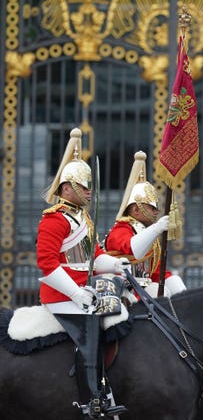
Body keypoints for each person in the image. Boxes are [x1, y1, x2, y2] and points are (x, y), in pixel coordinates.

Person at [37, 128, 128, 418]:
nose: (89, 191)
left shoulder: (83, 217)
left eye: (89, 187)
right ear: (66, 188)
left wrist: (116, 265)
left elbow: (93, 256)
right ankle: (92, 399)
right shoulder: (55, 220)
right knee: (91, 332)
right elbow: (47, 264)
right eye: (83, 186)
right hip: (62, 295)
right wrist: (76, 294)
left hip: (83, 289)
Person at [104, 151, 186, 298]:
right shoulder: (120, 230)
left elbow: (157, 274)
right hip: (124, 294)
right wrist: (157, 228)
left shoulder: (146, 233)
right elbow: (133, 250)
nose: (157, 212)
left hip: (144, 294)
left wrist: (183, 294)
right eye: (152, 208)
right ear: (135, 210)